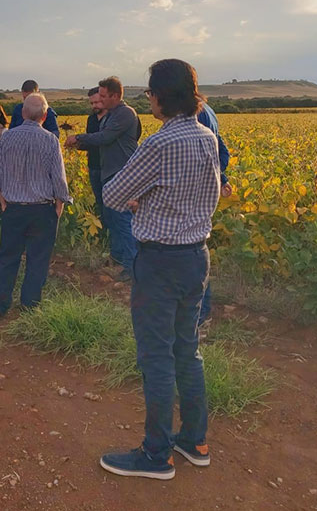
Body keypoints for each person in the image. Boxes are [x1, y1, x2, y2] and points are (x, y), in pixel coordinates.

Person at [98, 59, 221, 480]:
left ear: (161, 96)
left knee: (156, 355)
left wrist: (141, 199)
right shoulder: (207, 136)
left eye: (149, 93)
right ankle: (194, 440)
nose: (148, 99)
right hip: (196, 256)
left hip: (160, 260)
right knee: (188, 347)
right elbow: (210, 193)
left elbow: (114, 194)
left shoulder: (160, 143)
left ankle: (156, 455)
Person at [0, 93, 71, 319]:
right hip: (43, 210)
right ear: (45, 116)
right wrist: (59, 206)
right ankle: (29, 307)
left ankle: (0, 307)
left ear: (23, 113)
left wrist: (3, 201)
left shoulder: (7, 138)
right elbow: (59, 179)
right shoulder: (50, 140)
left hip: (14, 208)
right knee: (38, 260)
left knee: (8, 258)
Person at [65, 76, 140, 277]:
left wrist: (78, 138)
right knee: (112, 218)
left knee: (123, 220)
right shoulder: (113, 114)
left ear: (115, 96)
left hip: (122, 173)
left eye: (104, 96)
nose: (101, 99)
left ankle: (132, 267)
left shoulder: (124, 113)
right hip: (111, 172)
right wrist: (80, 144)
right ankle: (117, 258)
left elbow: (105, 137)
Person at [196, 100, 233, 327]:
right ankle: (200, 313)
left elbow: (213, 153)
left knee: (193, 253)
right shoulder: (207, 110)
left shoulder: (197, 115)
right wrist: (223, 178)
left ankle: (200, 315)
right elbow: (220, 151)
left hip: (197, 190)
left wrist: (221, 178)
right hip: (206, 187)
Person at [85, 87, 106, 216]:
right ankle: (104, 231)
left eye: (97, 102)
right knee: (99, 201)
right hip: (94, 166)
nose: (94, 106)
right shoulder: (91, 119)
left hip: (110, 167)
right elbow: (90, 142)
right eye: (92, 103)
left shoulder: (114, 118)